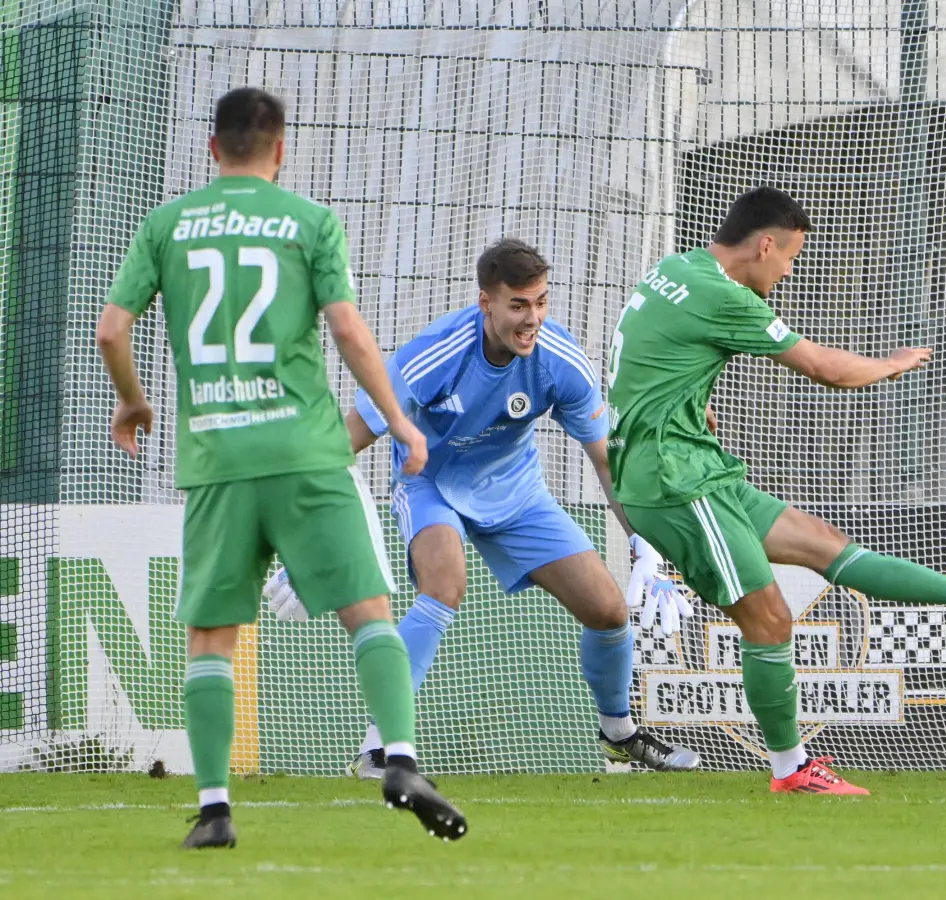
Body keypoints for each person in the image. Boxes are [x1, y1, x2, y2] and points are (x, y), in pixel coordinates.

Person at [95, 86, 466, 847]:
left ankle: (214, 808)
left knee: (210, 639)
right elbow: (349, 331)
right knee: (367, 610)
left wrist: (133, 402)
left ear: (213, 149)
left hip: (217, 461)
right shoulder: (308, 222)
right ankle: (398, 757)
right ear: (281, 147)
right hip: (307, 454)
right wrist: (397, 420)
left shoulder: (166, 225)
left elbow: (110, 330)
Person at [607, 186, 946, 795]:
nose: (788, 271)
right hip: (675, 483)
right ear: (765, 245)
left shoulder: (676, 268)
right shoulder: (725, 296)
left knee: (823, 544)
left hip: (693, 466)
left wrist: (688, 405)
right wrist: (893, 364)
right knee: (770, 621)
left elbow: (653, 355)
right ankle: (791, 770)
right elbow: (825, 369)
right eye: (788, 257)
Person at [264, 238, 701, 777]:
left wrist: (645, 545)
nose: (532, 318)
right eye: (518, 305)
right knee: (444, 583)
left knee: (609, 610)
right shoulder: (436, 353)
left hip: (516, 492)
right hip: (431, 483)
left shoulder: (560, 362)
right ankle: (379, 749)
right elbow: (344, 440)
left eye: (541, 302)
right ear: (485, 303)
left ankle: (619, 732)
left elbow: (608, 463)